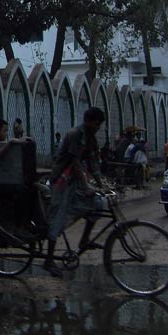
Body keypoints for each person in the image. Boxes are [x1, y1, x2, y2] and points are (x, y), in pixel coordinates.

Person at [43, 107, 106, 278]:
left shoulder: (90, 138)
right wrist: (86, 186)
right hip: (62, 181)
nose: (98, 127)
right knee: (58, 217)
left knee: (98, 204)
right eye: (96, 124)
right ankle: (49, 260)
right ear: (88, 121)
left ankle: (84, 240)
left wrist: (102, 183)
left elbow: (92, 161)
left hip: (76, 182)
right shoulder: (75, 135)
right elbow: (75, 161)